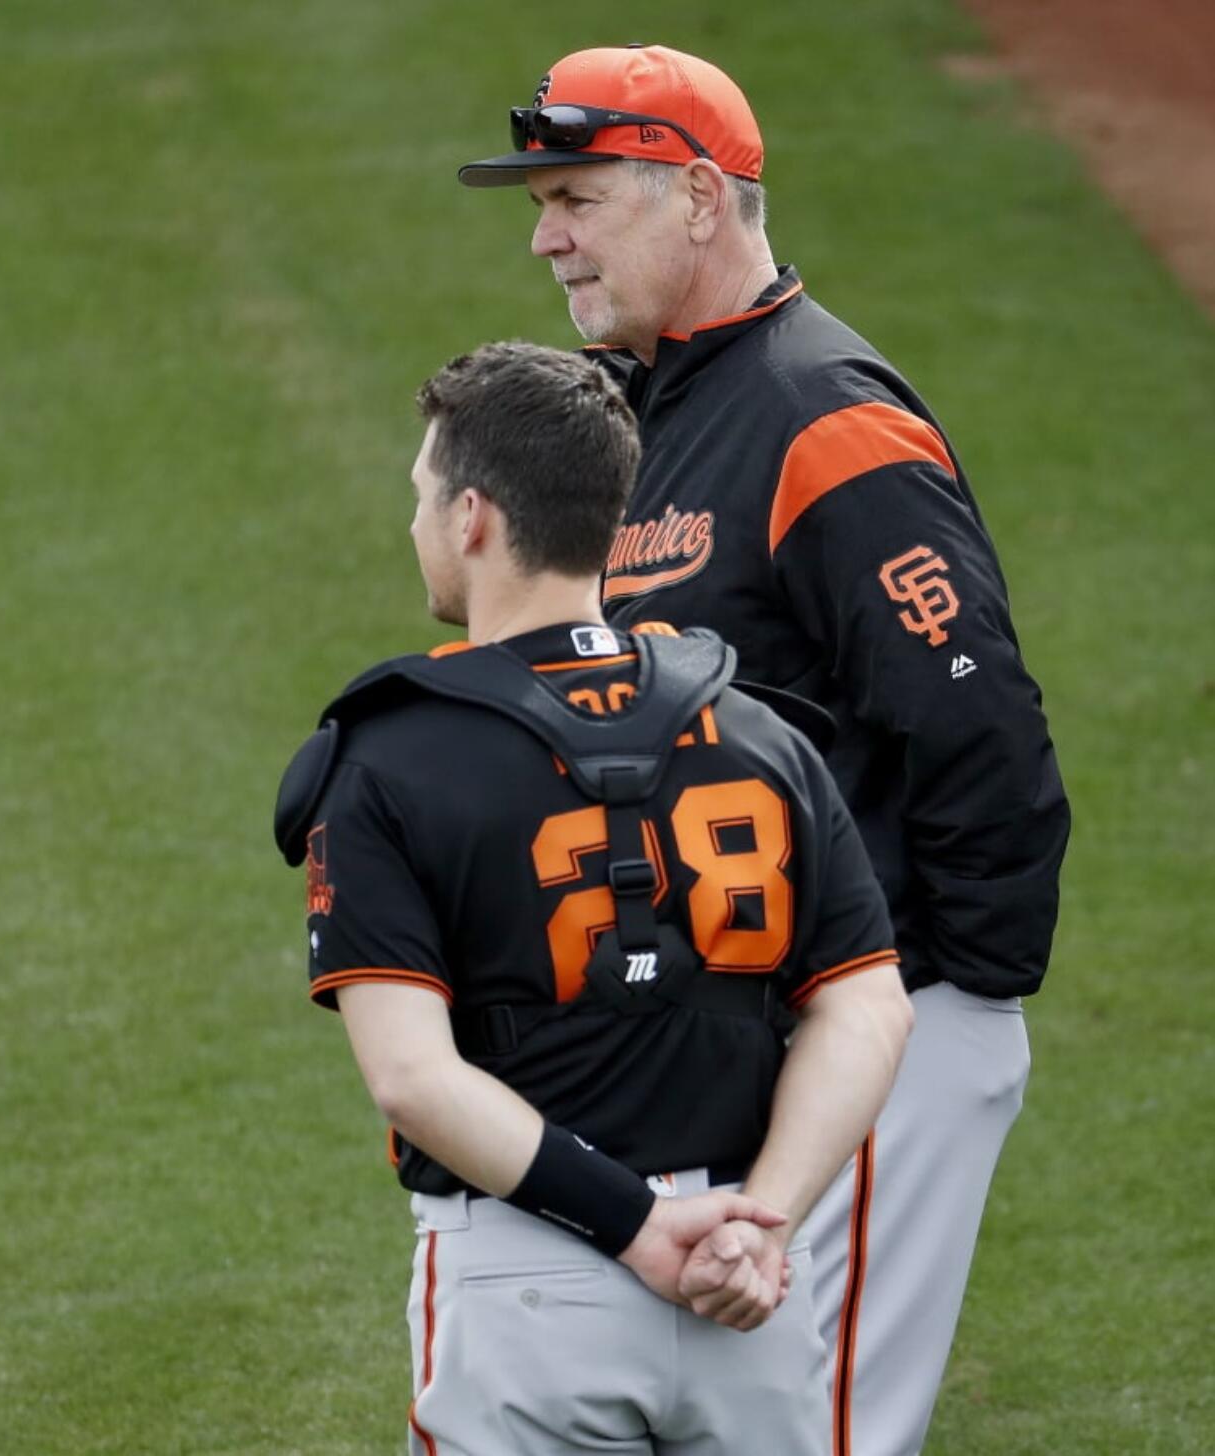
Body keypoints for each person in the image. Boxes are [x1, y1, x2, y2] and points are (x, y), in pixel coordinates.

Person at [458, 45, 1071, 1456]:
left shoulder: (820, 415)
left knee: (829, 1427)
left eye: (577, 198)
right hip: (768, 1028)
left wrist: (938, 992)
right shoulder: (662, 410)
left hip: (885, 1020)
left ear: (694, 197)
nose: (545, 236)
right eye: (540, 202)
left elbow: (973, 715)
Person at [273, 341, 913, 1455]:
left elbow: (414, 1079)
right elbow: (868, 1006)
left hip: (531, 1286)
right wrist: (758, 1224)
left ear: (471, 515)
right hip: (746, 1283)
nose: (416, 519)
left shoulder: (388, 759)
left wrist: (638, 1228)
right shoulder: (759, 734)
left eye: (422, 496)